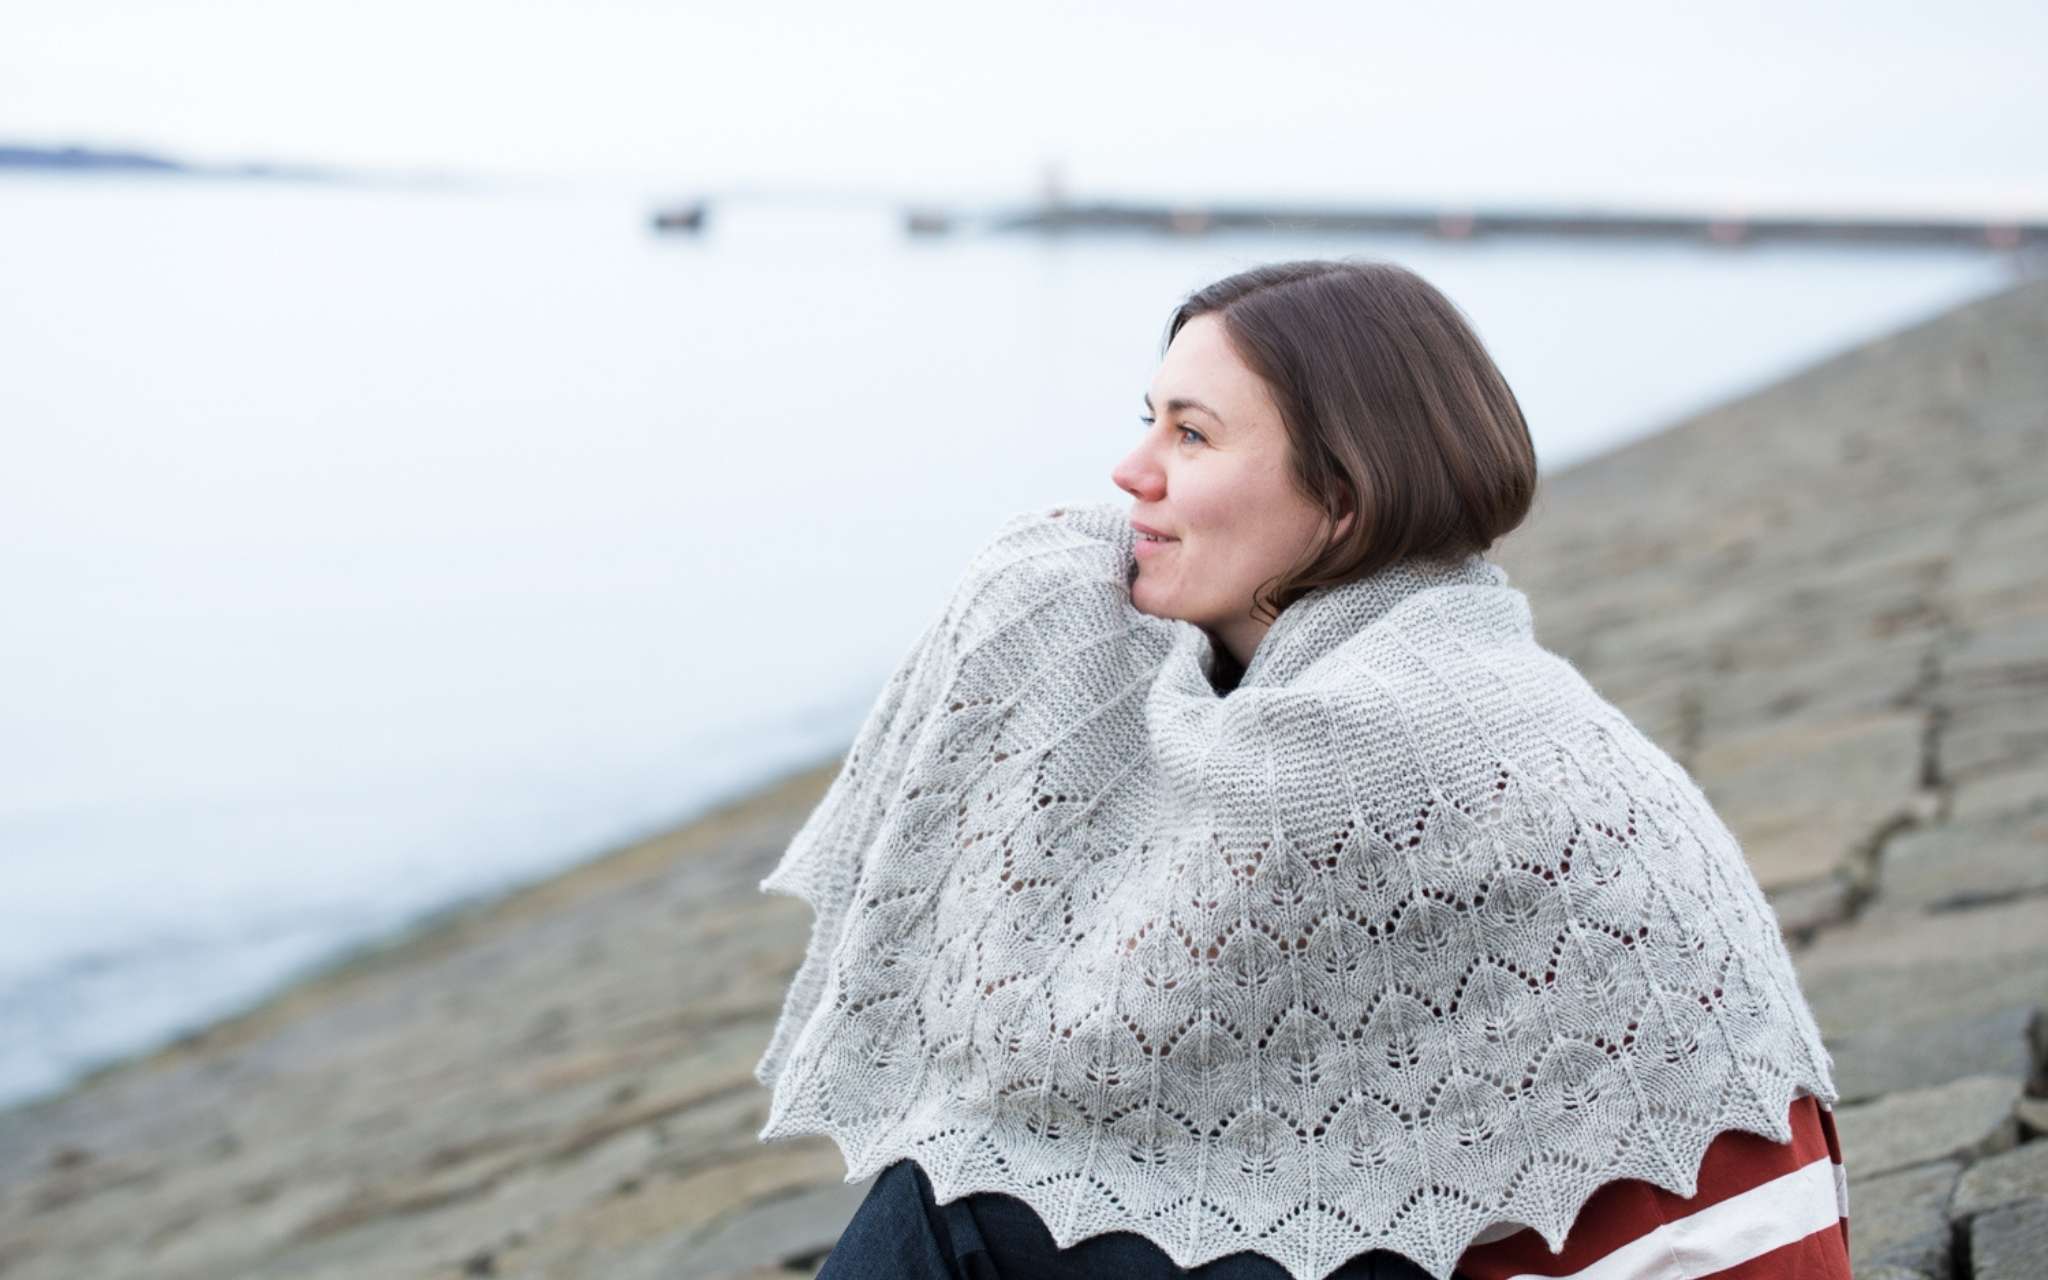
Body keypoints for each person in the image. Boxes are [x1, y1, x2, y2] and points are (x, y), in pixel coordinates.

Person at [766, 259, 1850, 1280]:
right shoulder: (1442, 650)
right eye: (1146, 420)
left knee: (961, 1200)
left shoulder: (1375, 740)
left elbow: (1063, 1051)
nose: (1128, 472)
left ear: (1342, 495)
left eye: (1190, 435)